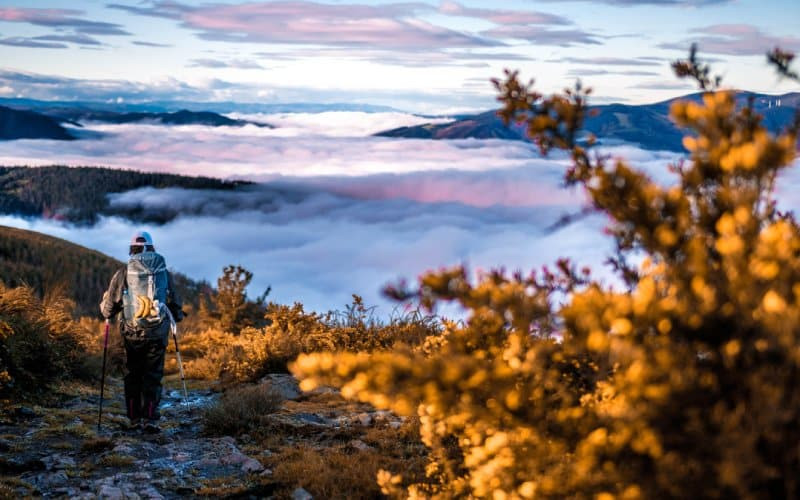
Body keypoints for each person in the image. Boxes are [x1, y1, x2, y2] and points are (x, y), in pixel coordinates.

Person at [100, 231, 183, 433]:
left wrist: (106, 309)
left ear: (132, 249)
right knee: (153, 375)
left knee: (133, 374)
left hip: (131, 332)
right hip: (158, 332)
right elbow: (175, 304)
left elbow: (109, 308)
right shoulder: (163, 273)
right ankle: (150, 418)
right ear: (152, 248)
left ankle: (134, 418)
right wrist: (176, 316)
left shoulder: (123, 273)